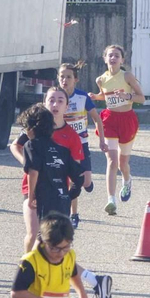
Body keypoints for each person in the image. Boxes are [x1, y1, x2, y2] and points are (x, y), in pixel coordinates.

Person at [15, 102, 89, 254]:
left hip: (44, 198)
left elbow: (33, 172)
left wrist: (31, 196)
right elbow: (79, 176)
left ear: (32, 128)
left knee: (43, 238)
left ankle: (28, 268)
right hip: (62, 200)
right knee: (55, 239)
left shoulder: (32, 145)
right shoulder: (62, 150)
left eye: (25, 128)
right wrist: (70, 195)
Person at [91, 44, 143, 214]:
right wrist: (95, 96)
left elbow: (142, 98)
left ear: (122, 60)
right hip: (109, 120)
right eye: (110, 55)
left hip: (127, 120)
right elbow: (104, 96)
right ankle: (111, 200)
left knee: (122, 164)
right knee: (112, 160)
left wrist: (127, 96)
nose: (113, 58)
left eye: (116, 56)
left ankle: (127, 180)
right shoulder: (101, 79)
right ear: (105, 59)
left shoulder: (127, 76)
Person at [56, 63, 96, 227]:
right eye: (61, 77)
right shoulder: (55, 97)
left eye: (68, 77)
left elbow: (97, 118)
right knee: (70, 180)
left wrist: (101, 139)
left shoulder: (82, 97)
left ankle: (88, 182)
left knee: (85, 183)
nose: (64, 80)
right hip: (62, 144)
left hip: (81, 143)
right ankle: (73, 214)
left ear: (75, 80)